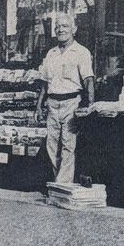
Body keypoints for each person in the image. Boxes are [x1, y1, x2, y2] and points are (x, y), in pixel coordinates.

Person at [35, 13, 94, 183]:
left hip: (71, 103)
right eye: (58, 27)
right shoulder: (51, 54)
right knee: (52, 146)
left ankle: (62, 186)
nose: (61, 29)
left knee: (69, 145)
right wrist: (38, 106)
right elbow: (45, 83)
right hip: (52, 103)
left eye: (65, 26)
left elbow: (88, 80)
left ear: (74, 29)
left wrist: (90, 105)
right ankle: (58, 183)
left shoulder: (81, 52)